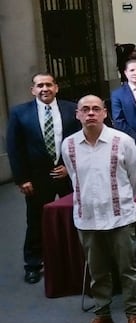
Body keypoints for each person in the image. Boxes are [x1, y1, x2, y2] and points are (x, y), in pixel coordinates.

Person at [62, 95, 136, 323]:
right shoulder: (68, 145)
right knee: (98, 272)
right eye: (85, 109)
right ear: (77, 114)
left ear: (104, 113)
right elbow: (74, 179)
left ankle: (134, 314)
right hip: (87, 219)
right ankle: (103, 315)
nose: (90, 113)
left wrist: (121, 200)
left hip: (119, 216)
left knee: (127, 270)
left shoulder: (122, 141)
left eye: (95, 109)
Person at [5, 72, 81, 283]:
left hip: (68, 175)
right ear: (33, 90)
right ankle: (33, 264)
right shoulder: (20, 113)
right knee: (36, 221)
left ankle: (78, 259)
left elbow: (79, 141)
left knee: (76, 218)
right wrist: (22, 179)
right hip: (37, 178)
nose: (44, 89)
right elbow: (15, 148)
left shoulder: (70, 109)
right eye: (40, 86)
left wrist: (70, 167)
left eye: (48, 84)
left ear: (56, 87)